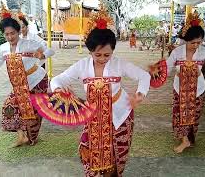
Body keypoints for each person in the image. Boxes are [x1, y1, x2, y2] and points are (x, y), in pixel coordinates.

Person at [50, 27, 150, 176]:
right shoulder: (82, 65)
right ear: (90, 51)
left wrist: (140, 94)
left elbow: (144, 76)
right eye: (98, 55)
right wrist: (58, 89)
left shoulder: (119, 64)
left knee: (116, 154)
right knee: (87, 148)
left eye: (107, 55)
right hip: (93, 116)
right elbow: (57, 79)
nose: (102, 58)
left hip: (119, 114)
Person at [0, 15, 54, 147]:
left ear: (18, 31)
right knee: (9, 106)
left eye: (12, 33)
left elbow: (50, 50)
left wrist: (42, 55)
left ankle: (30, 137)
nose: (10, 37)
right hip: (19, 84)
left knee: (33, 112)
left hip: (37, 80)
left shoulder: (29, 44)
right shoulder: (3, 48)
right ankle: (21, 136)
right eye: (6, 34)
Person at [152, 14, 205, 154]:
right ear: (186, 40)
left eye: (199, 42)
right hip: (180, 89)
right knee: (180, 114)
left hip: (198, 89)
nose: (196, 46)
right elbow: (168, 65)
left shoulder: (203, 51)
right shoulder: (177, 52)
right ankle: (184, 140)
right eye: (192, 43)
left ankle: (189, 138)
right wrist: (157, 68)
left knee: (194, 116)